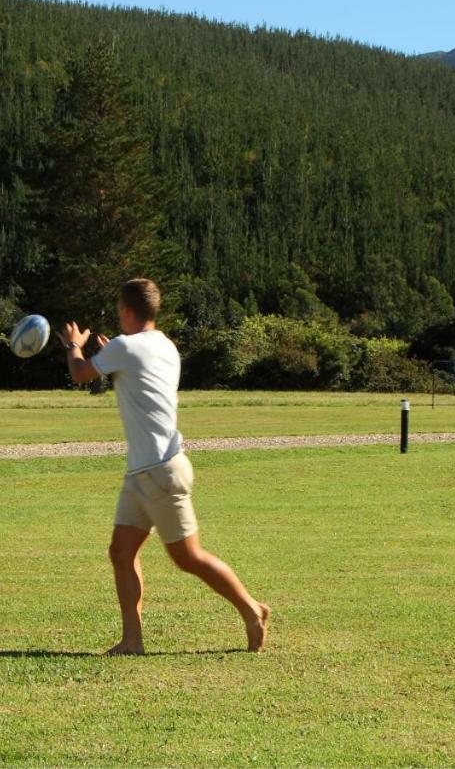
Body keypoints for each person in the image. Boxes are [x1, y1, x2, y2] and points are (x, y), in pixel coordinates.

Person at [58, 278, 270, 654]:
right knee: (121, 553)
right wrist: (112, 357)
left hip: (159, 470)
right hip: (143, 471)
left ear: (125, 311)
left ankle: (251, 608)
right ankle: (132, 640)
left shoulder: (125, 347)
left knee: (188, 557)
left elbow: (79, 373)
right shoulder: (165, 346)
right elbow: (137, 379)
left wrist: (75, 345)